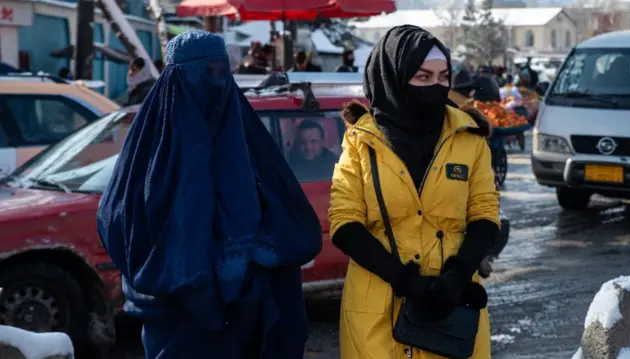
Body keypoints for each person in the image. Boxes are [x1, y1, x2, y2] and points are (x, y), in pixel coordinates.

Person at [97, 30, 322, 358]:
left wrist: (247, 270)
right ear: (177, 78)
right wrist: (187, 275)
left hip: (246, 320)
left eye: (222, 72)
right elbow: (119, 224)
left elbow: (291, 220)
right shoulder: (149, 151)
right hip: (175, 325)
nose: (214, 83)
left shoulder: (246, 140)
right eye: (204, 73)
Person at [328, 25, 499, 359]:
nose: (435, 87)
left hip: (451, 311)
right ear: (394, 76)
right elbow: (344, 222)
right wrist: (405, 281)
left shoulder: (469, 138)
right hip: (376, 312)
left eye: (443, 77)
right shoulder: (361, 140)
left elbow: (484, 214)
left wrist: (457, 275)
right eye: (422, 77)